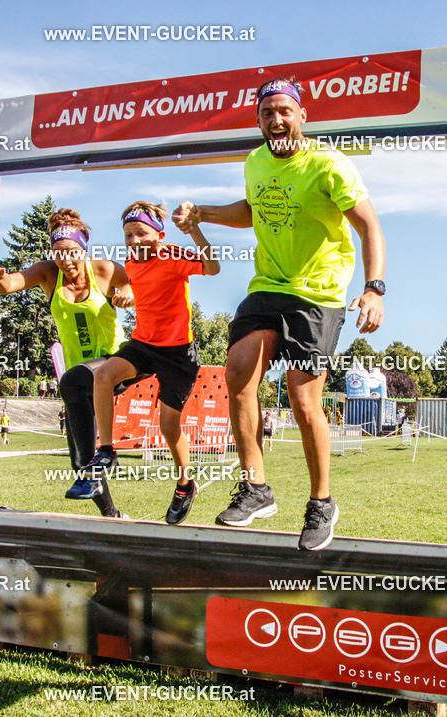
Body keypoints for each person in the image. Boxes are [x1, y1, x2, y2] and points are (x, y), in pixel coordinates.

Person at [174, 77, 386, 551]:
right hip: (267, 286)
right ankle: (256, 488)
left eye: (284, 111)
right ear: (259, 121)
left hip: (319, 293)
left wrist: (374, 289)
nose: (276, 120)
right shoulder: (255, 161)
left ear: (302, 116)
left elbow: (370, 225)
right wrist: (203, 214)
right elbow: (252, 210)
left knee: (303, 398)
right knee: (237, 375)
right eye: (267, 113)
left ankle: (321, 502)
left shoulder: (328, 164)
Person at [0, 208, 133, 519]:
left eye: (72, 253)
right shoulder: (49, 273)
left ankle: (99, 460)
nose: (66, 261)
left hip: (116, 362)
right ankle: (112, 515)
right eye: (59, 253)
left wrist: (128, 293)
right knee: (78, 460)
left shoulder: (103, 270)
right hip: (81, 378)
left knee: (73, 381)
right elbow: (10, 285)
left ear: (84, 250)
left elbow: (136, 284)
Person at [78, 201, 220, 526]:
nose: (133, 241)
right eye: (128, 235)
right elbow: (133, 279)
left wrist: (195, 230)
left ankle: (185, 486)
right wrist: (125, 289)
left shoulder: (172, 255)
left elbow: (212, 269)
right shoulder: (131, 260)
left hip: (179, 354)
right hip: (143, 344)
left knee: (168, 428)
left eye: (141, 233)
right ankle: (107, 450)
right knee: (103, 376)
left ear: (160, 235)